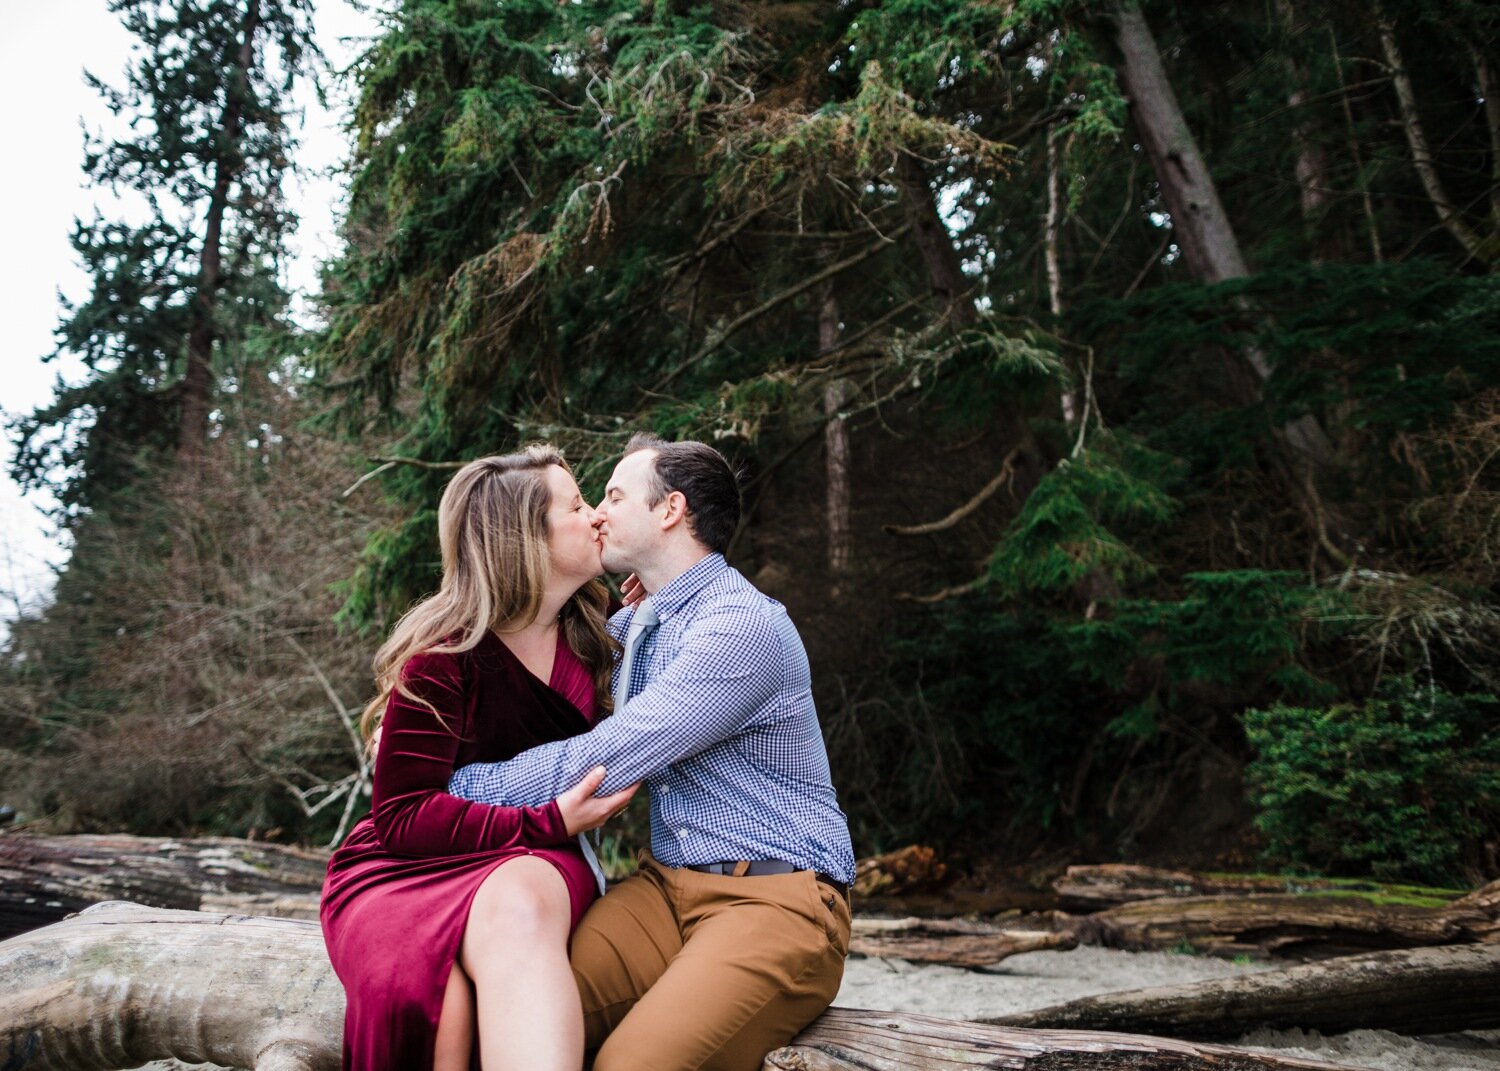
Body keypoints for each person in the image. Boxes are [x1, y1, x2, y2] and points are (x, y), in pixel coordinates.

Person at [448, 433, 856, 1071]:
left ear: (670, 510)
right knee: (512, 1014)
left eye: (612, 495)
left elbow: (611, 753)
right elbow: (539, 671)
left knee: (626, 1066)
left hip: (777, 902)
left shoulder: (741, 627)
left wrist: (456, 786)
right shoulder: (637, 621)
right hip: (664, 891)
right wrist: (424, 721)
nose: (596, 514)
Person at [320, 446, 639, 1071]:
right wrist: (546, 820)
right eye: (576, 506)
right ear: (526, 540)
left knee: (517, 905)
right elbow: (404, 818)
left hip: (541, 861)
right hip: (408, 866)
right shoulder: (444, 658)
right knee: (442, 1003)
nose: (598, 515)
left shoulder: (608, 629)